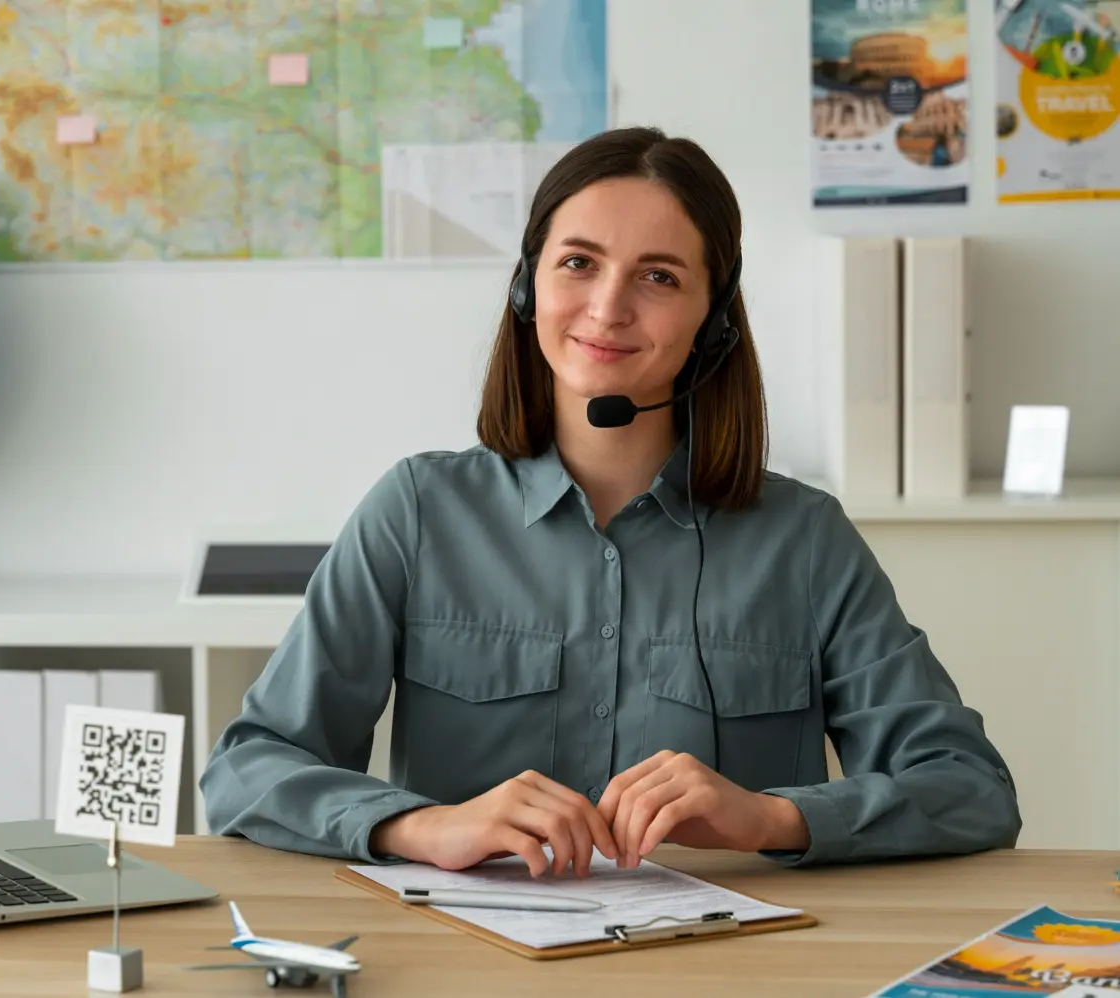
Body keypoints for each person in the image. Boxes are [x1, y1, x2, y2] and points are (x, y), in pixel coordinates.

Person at [199, 126, 1020, 878]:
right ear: (528, 289)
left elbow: (969, 788)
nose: (608, 307)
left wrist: (770, 816)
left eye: (658, 277)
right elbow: (248, 768)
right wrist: (421, 826)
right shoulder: (417, 511)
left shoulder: (803, 540)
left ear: (715, 322)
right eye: (578, 263)